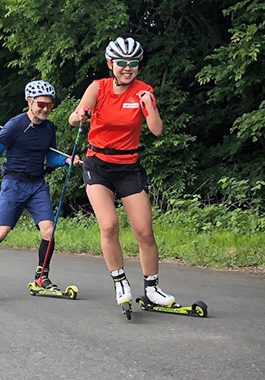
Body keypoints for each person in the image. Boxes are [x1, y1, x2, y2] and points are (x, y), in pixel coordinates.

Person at [69, 37, 175, 312]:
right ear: (110, 64)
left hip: (128, 167)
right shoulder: (98, 87)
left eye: (133, 63)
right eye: (122, 63)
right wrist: (80, 114)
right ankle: (120, 281)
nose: (128, 68)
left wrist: (149, 105)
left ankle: (152, 289)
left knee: (144, 231)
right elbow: (74, 116)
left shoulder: (144, 91)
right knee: (109, 225)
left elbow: (156, 130)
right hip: (98, 165)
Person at [0, 80, 80, 299]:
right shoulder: (14, 126)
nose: (46, 109)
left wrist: (66, 160)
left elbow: (49, 158)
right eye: (41, 104)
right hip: (13, 183)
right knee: (2, 231)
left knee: (48, 230)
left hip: (37, 185)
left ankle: (41, 278)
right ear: (30, 102)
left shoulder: (49, 128)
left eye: (50, 105)